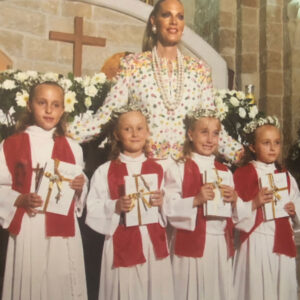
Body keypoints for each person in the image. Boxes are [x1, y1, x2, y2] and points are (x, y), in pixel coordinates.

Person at [67, 0, 242, 165]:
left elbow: (211, 124)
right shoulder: (133, 65)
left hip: (188, 169)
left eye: (180, 16)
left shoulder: (199, 70)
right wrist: (63, 133)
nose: (174, 21)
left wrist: (243, 154)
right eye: (167, 15)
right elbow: (108, 115)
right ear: (153, 22)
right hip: (145, 167)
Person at [0, 81, 88, 300]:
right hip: (30, 225)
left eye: (56, 104)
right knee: (31, 280)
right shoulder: (10, 144)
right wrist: (20, 198)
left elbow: (79, 182)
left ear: (62, 109)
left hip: (63, 228)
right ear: (30, 106)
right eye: (42, 103)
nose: (49, 110)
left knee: (62, 280)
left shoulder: (73, 147)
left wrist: (79, 186)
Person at [85, 104, 173, 300]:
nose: (135, 134)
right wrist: (115, 206)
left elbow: (171, 206)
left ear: (148, 132)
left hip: (153, 243)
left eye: (140, 128)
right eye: (127, 129)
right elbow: (93, 207)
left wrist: (162, 203)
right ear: (117, 134)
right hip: (121, 241)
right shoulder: (105, 170)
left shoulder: (160, 169)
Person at [164, 108, 250, 300]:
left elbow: (240, 218)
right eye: (204, 132)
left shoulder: (225, 172)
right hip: (190, 245)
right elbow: (168, 207)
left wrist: (235, 200)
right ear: (190, 134)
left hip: (219, 244)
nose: (210, 139)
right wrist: (196, 200)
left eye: (215, 133)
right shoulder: (177, 168)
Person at [233, 116, 300, 300]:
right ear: (253, 147)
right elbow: (234, 212)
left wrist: (294, 212)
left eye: (277, 143)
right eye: (266, 143)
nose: (272, 148)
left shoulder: (285, 176)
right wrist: (255, 202)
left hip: (281, 243)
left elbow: (297, 202)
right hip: (256, 242)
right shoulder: (243, 174)